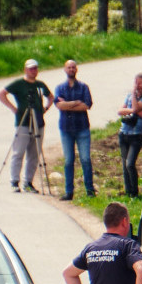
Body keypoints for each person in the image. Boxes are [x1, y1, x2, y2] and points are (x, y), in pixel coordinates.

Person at [0, 59, 53, 193]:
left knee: (34, 153)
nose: (33, 71)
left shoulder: (40, 84)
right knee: (19, 152)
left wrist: (45, 108)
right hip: (23, 122)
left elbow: (51, 97)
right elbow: (1, 93)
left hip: (38, 122)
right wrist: (13, 108)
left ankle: (29, 182)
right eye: (31, 68)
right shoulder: (19, 83)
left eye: (35, 68)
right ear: (25, 69)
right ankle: (14, 181)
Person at [54, 60, 95, 201]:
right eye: (69, 67)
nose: (71, 69)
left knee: (85, 159)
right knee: (68, 161)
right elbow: (58, 105)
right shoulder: (60, 88)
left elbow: (86, 105)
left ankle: (90, 189)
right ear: (65, 70)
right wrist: (75, 102)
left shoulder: (84, 87)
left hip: (82, 127)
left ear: (76, 69)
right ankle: (69, 191)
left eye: (73, 67)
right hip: (66, 128)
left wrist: (67, 105)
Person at [116, 73, 142, 197]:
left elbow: (136, 108)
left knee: (130, 163)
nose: (141, 86)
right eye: (138, 83)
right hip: (124, 133)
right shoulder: (129, 96)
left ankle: (135, 191)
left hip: (137, 134)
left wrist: (134, 108)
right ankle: (128, 191)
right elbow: (120, 110)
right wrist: (133, 111)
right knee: (125, 165)